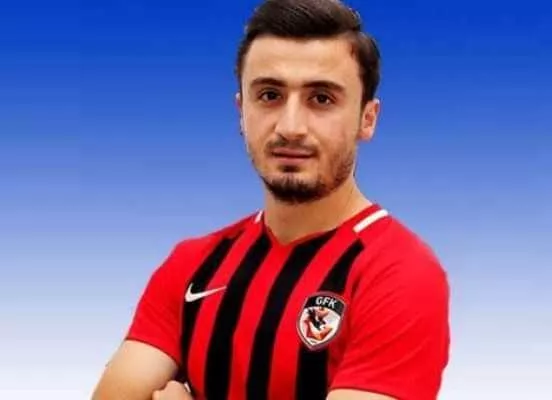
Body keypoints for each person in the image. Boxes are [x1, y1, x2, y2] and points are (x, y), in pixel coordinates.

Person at [91, 0, 450, 399]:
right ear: (241, 111)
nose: (291, 127)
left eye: (321, 99)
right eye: (269, 95)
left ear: (367, 118)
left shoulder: (400, 273)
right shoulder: (193, 264)